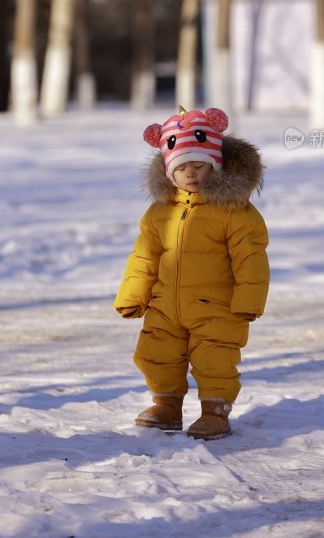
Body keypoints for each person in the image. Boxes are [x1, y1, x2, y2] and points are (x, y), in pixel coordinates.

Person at [114, 106, 270, 440]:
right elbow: (145, 255)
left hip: (218, 306)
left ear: (215, 164)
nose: (191, 174)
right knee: (156, 354)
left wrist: (249, 299)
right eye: (182, 167)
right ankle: (166, 405)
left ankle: (215, 411)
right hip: (165, 305)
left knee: (215, 358)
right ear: (170, 172)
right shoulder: (159, 212)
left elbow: (251, 256)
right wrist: (133, 294)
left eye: (199, 165)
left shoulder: (234, 211)